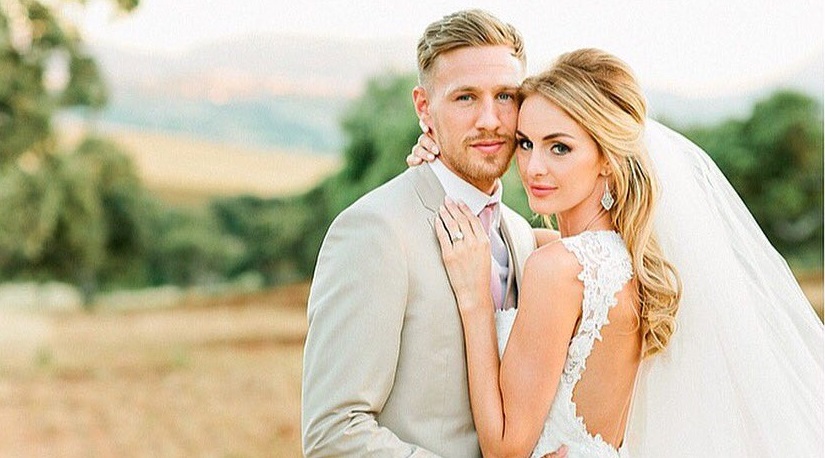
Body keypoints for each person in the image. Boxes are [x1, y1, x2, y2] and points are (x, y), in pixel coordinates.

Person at [411, 48, 824, 457]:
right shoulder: (629, 258)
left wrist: (475, 302)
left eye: (559, 148)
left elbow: (504, 449)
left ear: (607, 159)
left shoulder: (557, 269)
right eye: (525, 143)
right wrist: (441, 165)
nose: (534, 166)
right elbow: (507, 231)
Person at [301, 10, 566, 457]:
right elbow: (333, 432)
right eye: (465, 98)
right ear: (424, 108)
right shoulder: (376, 231)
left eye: (505, 96)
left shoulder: (522, 234)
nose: (490, 120)